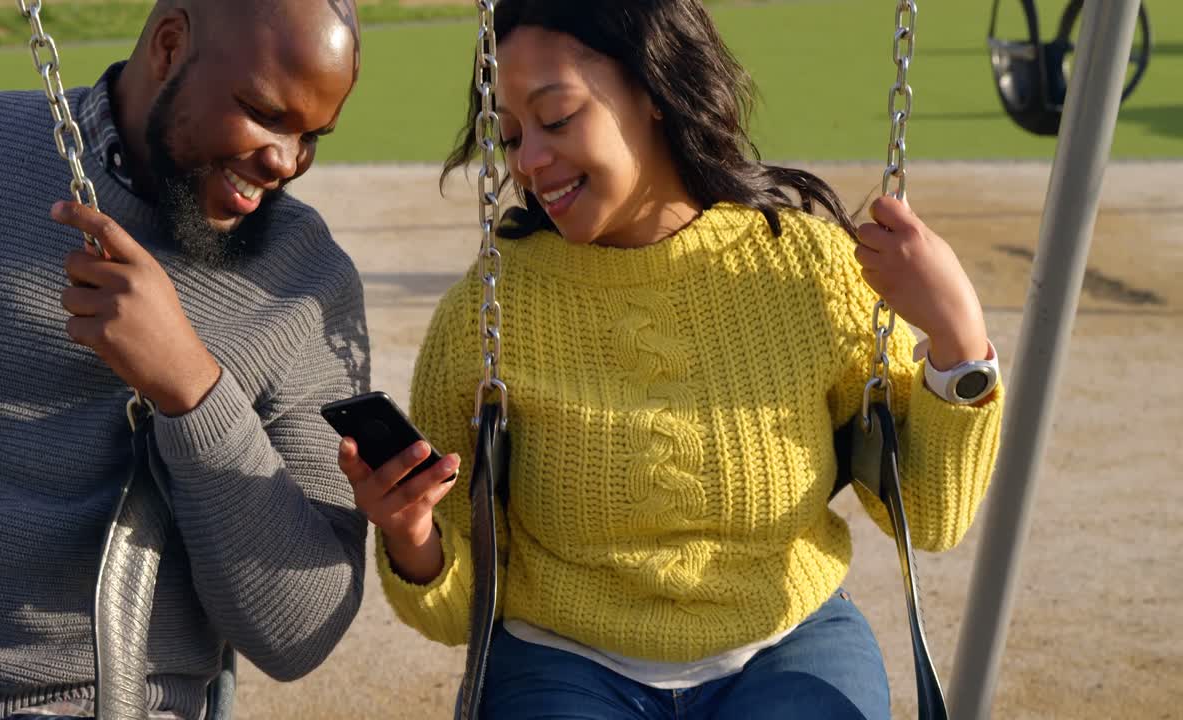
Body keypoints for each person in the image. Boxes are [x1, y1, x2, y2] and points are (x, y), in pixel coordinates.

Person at [338, 1, 1004, 718]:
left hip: (786, 644)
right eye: (510, 135)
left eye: (556, 119)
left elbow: (933, 517)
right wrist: (412, 535)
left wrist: (958, 338)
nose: (527, 161)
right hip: (563, 661)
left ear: (654, 90)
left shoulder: (808, 274)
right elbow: (454, 612)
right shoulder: (490, 313)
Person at [0, 1, 370, 718]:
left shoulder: (304, 283)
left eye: (312, 136)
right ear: (171, 44)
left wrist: (191, 387)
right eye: (263, 113)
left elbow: (298, 632)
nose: (286, 162)